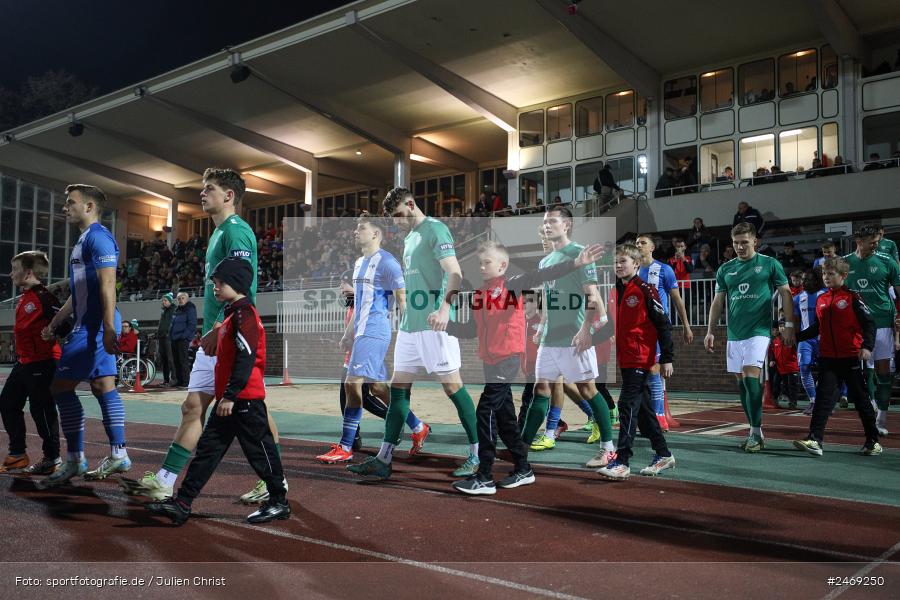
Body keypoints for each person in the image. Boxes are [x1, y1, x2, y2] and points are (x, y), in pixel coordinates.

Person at [121, 168, 285, 505]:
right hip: (217, 335)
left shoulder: (237, 232)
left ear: (229, 196)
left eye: (208, 188)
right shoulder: (219, 233)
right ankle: (165, 480)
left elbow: (245, 287)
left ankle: (275, 482)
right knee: (193, 406)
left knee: (253, 412)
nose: (201, 193)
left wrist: (219, 329)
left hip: (227, 335)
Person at [347, 187, 481, 480]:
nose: (395, 222)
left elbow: (455, 272)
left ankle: (477, 453)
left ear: (411, 204)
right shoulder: (409, 239)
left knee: (452, 387)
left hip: (436, 325)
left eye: (398, 215)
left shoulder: (436, 229)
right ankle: (384, 458)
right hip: (410, 326)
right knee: (398, 390)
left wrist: (445, 309)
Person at [449, 240, 603, 494]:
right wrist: (444, 325)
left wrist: (576, 263)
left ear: (502, 265)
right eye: (480, 263)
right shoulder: (480, 294)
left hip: (507, 360)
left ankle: (485, 476)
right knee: (506, 418)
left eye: (487, 262)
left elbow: (541, 274)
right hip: (490, 362)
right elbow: (470, 330)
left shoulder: (512, 285)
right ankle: (523, 468)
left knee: (484, 412)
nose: (482, 267)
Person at [145, 258, 289, 525]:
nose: (215, 287)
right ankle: (183, 502)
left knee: (260, 452)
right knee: (208, 452)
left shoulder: (245, 315)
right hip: (230, 401)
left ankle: (279, 501)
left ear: (235, 283)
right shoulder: (233, 314)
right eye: (214, 283)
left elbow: (246, 360)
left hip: (244, 401)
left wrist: (231, 396)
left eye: (220, 283)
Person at [37, 184, 129, 487]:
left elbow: (107, 285)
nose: (65, 206)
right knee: (103, 386)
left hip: (95, 326)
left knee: (60, 387)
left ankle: (75, 460)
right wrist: (56, 322)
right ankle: (119, 454)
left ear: (89, 207)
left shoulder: (99, 238)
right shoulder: (83, 240)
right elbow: (78, 293)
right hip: (88, 323)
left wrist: (109, 327)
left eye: (70, 202)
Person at [316, 215, 428, 464]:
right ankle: (418, 426)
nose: (356, 232)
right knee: (377, 388)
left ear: (376, 234)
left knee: (351, 385)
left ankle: (346, 446)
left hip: (375, 330)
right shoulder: (358, 263)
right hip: (361, 333)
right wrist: (348, 333)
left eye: (361, 229)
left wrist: (411, 334)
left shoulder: (388, 263)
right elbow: (360, 302)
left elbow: (402, 300)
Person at [525, 206, 616, 470]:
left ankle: (608, 449)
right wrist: (542, 325)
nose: (546, 226)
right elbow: (548, 298)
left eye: (551, 221)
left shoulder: (580, 253)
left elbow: (591, 294)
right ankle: (522, 448)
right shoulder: (545, 262)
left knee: (588, 390)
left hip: (573, 338)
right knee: (540, 389)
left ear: (566, 225)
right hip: (549, 340)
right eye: (544, 222)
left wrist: (587, 329)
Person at [704, 222, 795, 453]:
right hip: (735, 333)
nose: (740, 247)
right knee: (742, 384)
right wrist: (710, 330)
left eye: (745, 242)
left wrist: (788, 324)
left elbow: (785, 292)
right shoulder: (726, 269)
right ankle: (755, 432)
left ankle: (755, 431)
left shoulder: (769, 263)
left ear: (755, 241)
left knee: (750, 375)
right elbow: (718, 301)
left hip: (759, 331)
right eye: (736, 243)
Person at [595, 244, 676, 480]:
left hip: (642, 358)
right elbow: (612, 326)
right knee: (642, 412)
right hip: (627, 357)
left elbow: (664, 324)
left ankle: (622, 461)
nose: (619, 266)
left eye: (623, 262)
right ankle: (663, 454)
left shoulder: (646, 290)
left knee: (627, 404)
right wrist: (587, 340)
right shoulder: (615, 291)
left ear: (636, 264)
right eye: (616, 262)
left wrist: (668, 358)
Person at [793, 257, 881, 457]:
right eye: (824, 274)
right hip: (827, 358)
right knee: (822, 400)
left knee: (860, 401)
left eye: (831, 274)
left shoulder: (853, 297)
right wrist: (797, 337)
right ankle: (815, 440)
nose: (826, 277)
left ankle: (873, 441)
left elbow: (869, 324)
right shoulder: (822, 299)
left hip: (850, 357)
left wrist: (867, 346)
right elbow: (817, 327)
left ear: (843, 276)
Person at [0, 251, 62, 475]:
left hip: (43, 362)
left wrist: (53, 330)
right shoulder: (24, 298)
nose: (10, 274)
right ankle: (18, 454)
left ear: (27, 273)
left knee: (42, 411)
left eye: (14, 269)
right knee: (7, 403)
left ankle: (52, 458)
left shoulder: (45, 297)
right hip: (24, 362)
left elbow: (67, 324)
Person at [842, 226, 900, 436]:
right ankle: (867, 411)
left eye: (878, 241)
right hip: (856, 326)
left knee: (884, 373)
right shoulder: (845, 263)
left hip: (883, 323)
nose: (877, 245)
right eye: (872, 241)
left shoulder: (887, 261)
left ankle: (881, 419)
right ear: (859, 240)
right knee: (857, 374)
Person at [635, 234, 694, 431]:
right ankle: (646, 417)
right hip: (637, 329)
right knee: (639, 374)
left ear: (652, 247)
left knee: (655, 370)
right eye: (636, 243)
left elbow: (677, 300)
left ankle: (660, 416)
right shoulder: (631, 270)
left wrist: (686, 325)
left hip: (657, 327)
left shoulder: (664, 269)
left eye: (643, 243)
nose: (639, 245)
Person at [793, 269, 827, 415]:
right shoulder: (797, 299)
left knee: (827, 372)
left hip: (824, 339)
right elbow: (795, 321)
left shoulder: (826, 294)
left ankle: (824, 402)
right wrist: (795, 337)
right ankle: (813, 401)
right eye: (803, 279)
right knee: (804, 368)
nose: (804, 282)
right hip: (805, 340)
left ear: (816, 280)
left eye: (807, 279)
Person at [769, 320, 800, 409]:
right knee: (777, 383)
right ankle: (775, 400)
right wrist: (772, 360)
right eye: (780, 326)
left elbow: (798, 349)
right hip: (780, 368)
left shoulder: (792, 338)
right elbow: (773, 353)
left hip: (791, 367)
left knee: (792, 386)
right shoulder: (775, 340)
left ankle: (793, 402)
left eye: (784, 326)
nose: (782, 328)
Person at [169, 292, 197, 387]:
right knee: (176, 361)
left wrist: (184, 337)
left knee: (183, 361)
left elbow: (192, 325)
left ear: (187, 299)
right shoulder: (177, 310)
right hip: (174, 339)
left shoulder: (190, 309)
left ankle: (186, 382)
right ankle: (179, 381)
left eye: (183, 298)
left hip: (182, 339)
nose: (180, 300)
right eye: (179, 298)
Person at [156, 293, 177, 387]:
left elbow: (173, 324)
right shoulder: (163, 311)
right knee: (164, 359)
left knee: (170, 359)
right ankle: (166, 380)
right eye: (163, 300)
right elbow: (161, 325)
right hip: (161, 337)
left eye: (165, 300)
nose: (163, 302)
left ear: (170, 301)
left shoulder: (174, 310)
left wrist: (169, 333)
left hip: (169, 337)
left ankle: (174, 379)